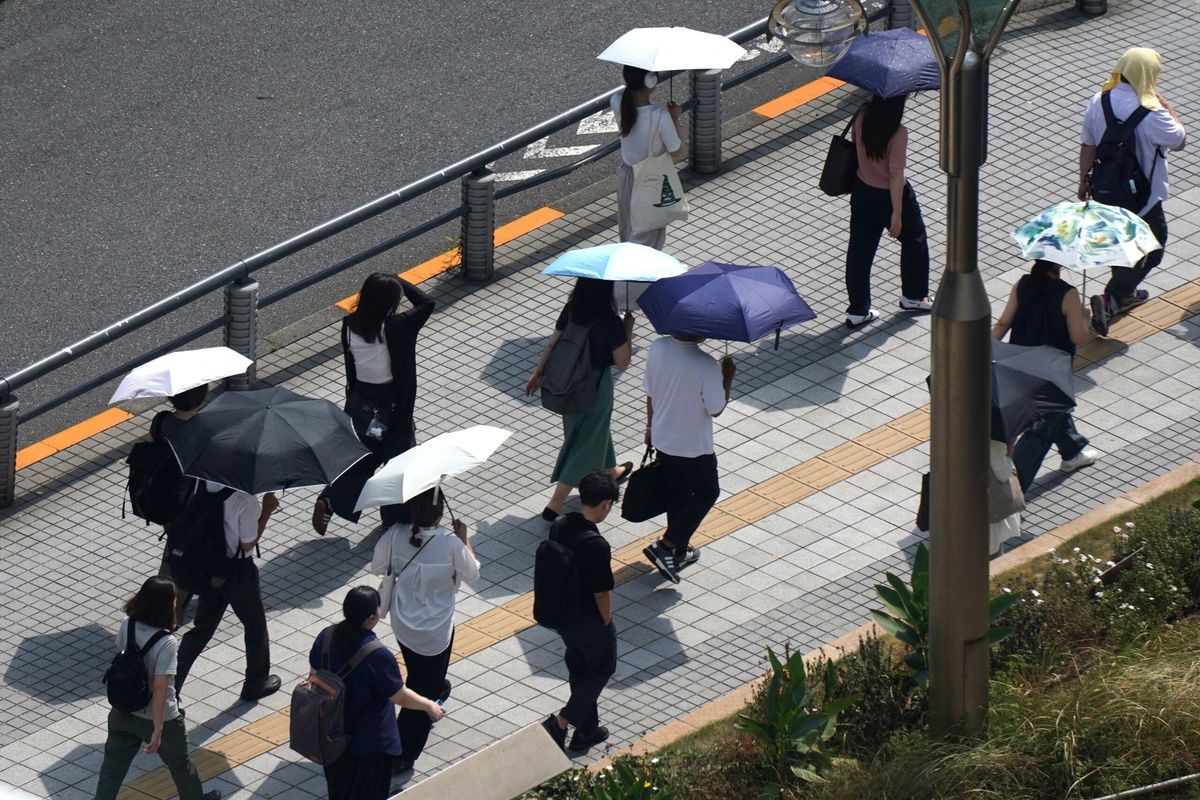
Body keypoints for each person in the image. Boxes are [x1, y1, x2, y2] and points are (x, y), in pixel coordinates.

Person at [367, 487, 480, 773]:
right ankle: (403, 752)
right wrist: (464, 537)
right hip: (436, 631)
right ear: (440, 514)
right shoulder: (451, 543)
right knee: (422, 690)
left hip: (403, 625)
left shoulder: (394, 534)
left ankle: (435, 687)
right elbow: (473, 572)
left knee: (419, 672)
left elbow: (378, 566)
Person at [313, 272, 436, 533]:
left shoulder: (349, 325)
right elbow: (427, 303)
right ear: (389, 303)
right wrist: (398, 279)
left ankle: (332, 498)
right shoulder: (397, 327)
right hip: (392, 405)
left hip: (361, 404)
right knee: (399, 459)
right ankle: (394, 519)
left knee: (367, 455)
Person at [1078, 47, 1187, 335]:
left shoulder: (1098, 101)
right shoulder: (1153, 113)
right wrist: (1168, 107)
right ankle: (1111, 297)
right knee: (1154, 248)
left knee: (1122, 246)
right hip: (1143, 197)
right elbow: (1179, 140)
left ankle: (1124, 295)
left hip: (1104, 190)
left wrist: (1083, 180)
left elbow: (1088, 143)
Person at [310, 586, 446, 800]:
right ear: (371, 618)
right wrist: (429, 705)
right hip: (368, 744)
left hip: (332, 734)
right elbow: (398, 696)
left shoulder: (326, 637)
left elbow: (314, 675)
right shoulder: (377, 655)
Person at [95, 576, 220, 800]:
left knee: (111, 770)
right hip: (160, 717)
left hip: (123, 710)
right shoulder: (166, 642)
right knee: (181, 765)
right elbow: (160, 687)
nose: (175, 602)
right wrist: (158, 729)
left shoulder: (127, 623)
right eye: (173, 599)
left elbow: (123, 655)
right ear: (165, 604)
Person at [525, 277, 635, 522]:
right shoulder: (610, 321)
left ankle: (608, 472)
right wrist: (627, 329)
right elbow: (623, 362)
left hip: (566, 383)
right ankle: (555, 503)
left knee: (585, 433)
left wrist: (538, 374)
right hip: (594, 385)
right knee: (585, 441)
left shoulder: (572, 309)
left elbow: (552, 343)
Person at [992, 260, 1098, 491]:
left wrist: (983, 350)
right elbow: (1078, 338)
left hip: (1017, 364)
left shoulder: (1023, 283)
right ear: (1060, 263)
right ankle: (1013, 491)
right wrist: (1085, 318)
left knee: (1054, 414)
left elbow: (1003, 323)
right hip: (1051, 372)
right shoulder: (1067, 293)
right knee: (1042, 428)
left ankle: (1072, 451)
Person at [640, 334, 734, 583]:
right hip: (693, 446)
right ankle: (666, 545)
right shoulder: (706, 365)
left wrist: (650, 427)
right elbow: (716, 408)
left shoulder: (658, 347)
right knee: (706, 493)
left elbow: (650, 391)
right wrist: (727, 377)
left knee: (677, 494)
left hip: (662, 436)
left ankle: (679, 551)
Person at [174, 483, 281, 701]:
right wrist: (267, 511)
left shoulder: (201, 483)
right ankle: (255, 684)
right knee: (255, 626)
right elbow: (248, 544)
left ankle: (170, 688)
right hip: (238, 573)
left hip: (209, 569)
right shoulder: (245, 500)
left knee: (201, 629)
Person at [541, 471, 619, 753]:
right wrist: (606, 619)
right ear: (606, 504)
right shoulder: (596, 544)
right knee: (601, 668)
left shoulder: (561, 524)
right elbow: (601, 591)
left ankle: (587, 730)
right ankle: (562, 722)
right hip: (588, 619)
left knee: (579, 665)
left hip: (562, 614)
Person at [843, 93, 932, 328]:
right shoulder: (898, 133)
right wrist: (897, 213)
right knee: (915, 240)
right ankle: (914, 295)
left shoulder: (861, 116)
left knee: (859, 251)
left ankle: (858, 309)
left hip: (862, 190)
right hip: (889, 195)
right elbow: (895, 175)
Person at [611, 65, 683, 251]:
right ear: (651, 81)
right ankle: (643, 277)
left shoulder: (617, 102)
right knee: (648, 234)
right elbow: (676, 151)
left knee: (628, 230)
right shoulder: (660, 117)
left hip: (627, 176)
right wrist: (675, 118)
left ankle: (626, 273)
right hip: (651, 179)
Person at [152, 384, 208, 619]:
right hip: (194, 505)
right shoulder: (205, 428)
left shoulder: (161, 421)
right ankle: (166, 611)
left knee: (178, 549)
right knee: (181, 558)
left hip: (166, 500)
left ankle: (165, 603)